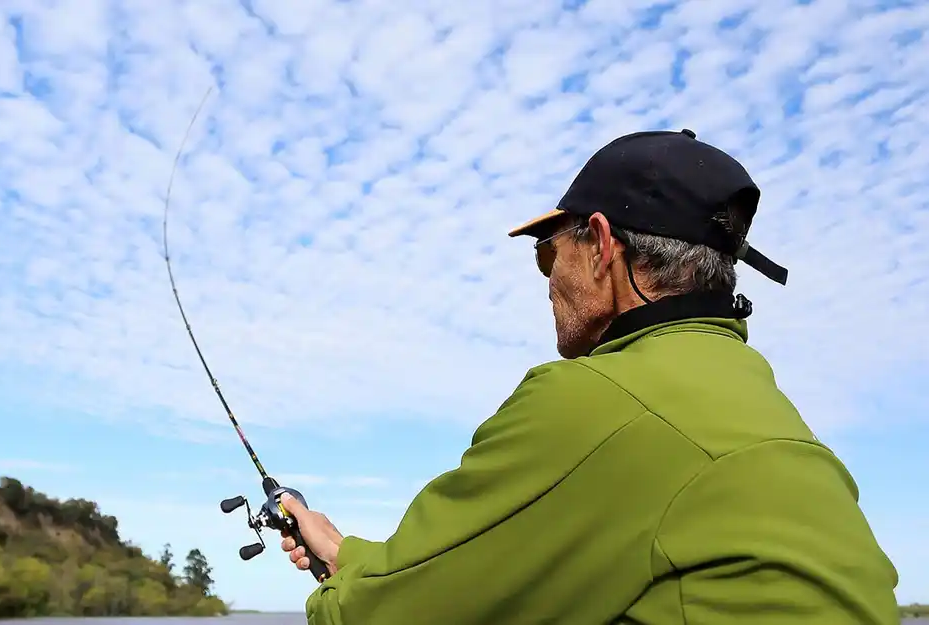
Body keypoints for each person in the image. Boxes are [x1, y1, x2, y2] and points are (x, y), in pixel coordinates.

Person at [278, 129, 901, 624]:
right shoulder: (758, 403)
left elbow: (382, 618)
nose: (547, 279)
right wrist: (343, 551)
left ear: (602, 245)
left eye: (548, 252)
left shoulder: (593, 402)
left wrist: (335, 593)